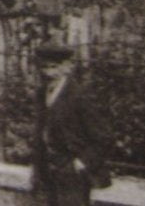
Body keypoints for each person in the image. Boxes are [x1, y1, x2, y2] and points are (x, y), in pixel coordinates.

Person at [35, 43, 111, 206]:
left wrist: (81, 163)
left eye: (53, 67)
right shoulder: (42, 93)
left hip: (72, 172)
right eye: (44, 67)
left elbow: (103, 137)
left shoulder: (78, 96)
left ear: (66, 67)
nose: (48, 73)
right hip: (48, 170)